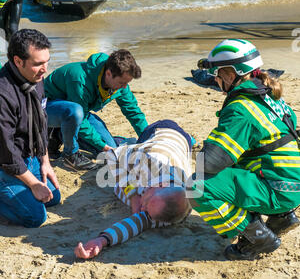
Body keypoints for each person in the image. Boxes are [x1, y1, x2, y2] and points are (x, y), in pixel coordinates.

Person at [188, 38, 300, 261]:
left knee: (197, 187)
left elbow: (208, 162)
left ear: (231, 75)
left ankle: (258, 238)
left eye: (218, 74)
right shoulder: (268, 94)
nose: (216, 79)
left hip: (278, 189)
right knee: (245, 157)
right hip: (291, 184)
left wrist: (203, 146)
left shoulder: (240, 108)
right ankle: (282, 216)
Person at [74, 120, 193, 259]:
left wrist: (102, 240)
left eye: (146, 209)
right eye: (147, 201)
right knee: (122, 152)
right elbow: (113, 155)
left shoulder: (173, 213)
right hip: (160, 130)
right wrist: (133, 196)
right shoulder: (149, 162)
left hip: (182, 144)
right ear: (161, 184)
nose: (142, 208)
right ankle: (128, 142)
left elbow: (136, 223)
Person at [44, 49, 149, 171]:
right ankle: (68, 151)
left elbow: (133, 111)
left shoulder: (120, 79)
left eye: (127, 83)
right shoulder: (79, 80)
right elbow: (80, 119)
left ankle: (61, 134)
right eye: (122, 82)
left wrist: (147, 136)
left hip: (78, 112)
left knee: (110, 149)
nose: (125, 86)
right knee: (102, 146)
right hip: (47, 109)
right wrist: (102, 146)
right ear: (108, 73)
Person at [0, 28, 61, 227]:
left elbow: (41, 123)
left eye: (47, 61)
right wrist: (33, 183)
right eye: (38, 64)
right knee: (35, 217)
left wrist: (45, 162)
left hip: (27, 155)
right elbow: (6, 151)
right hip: (4, 161)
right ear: (18, 61)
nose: (45, 69)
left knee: (53, 198)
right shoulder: (3, 94)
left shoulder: (36, 78)